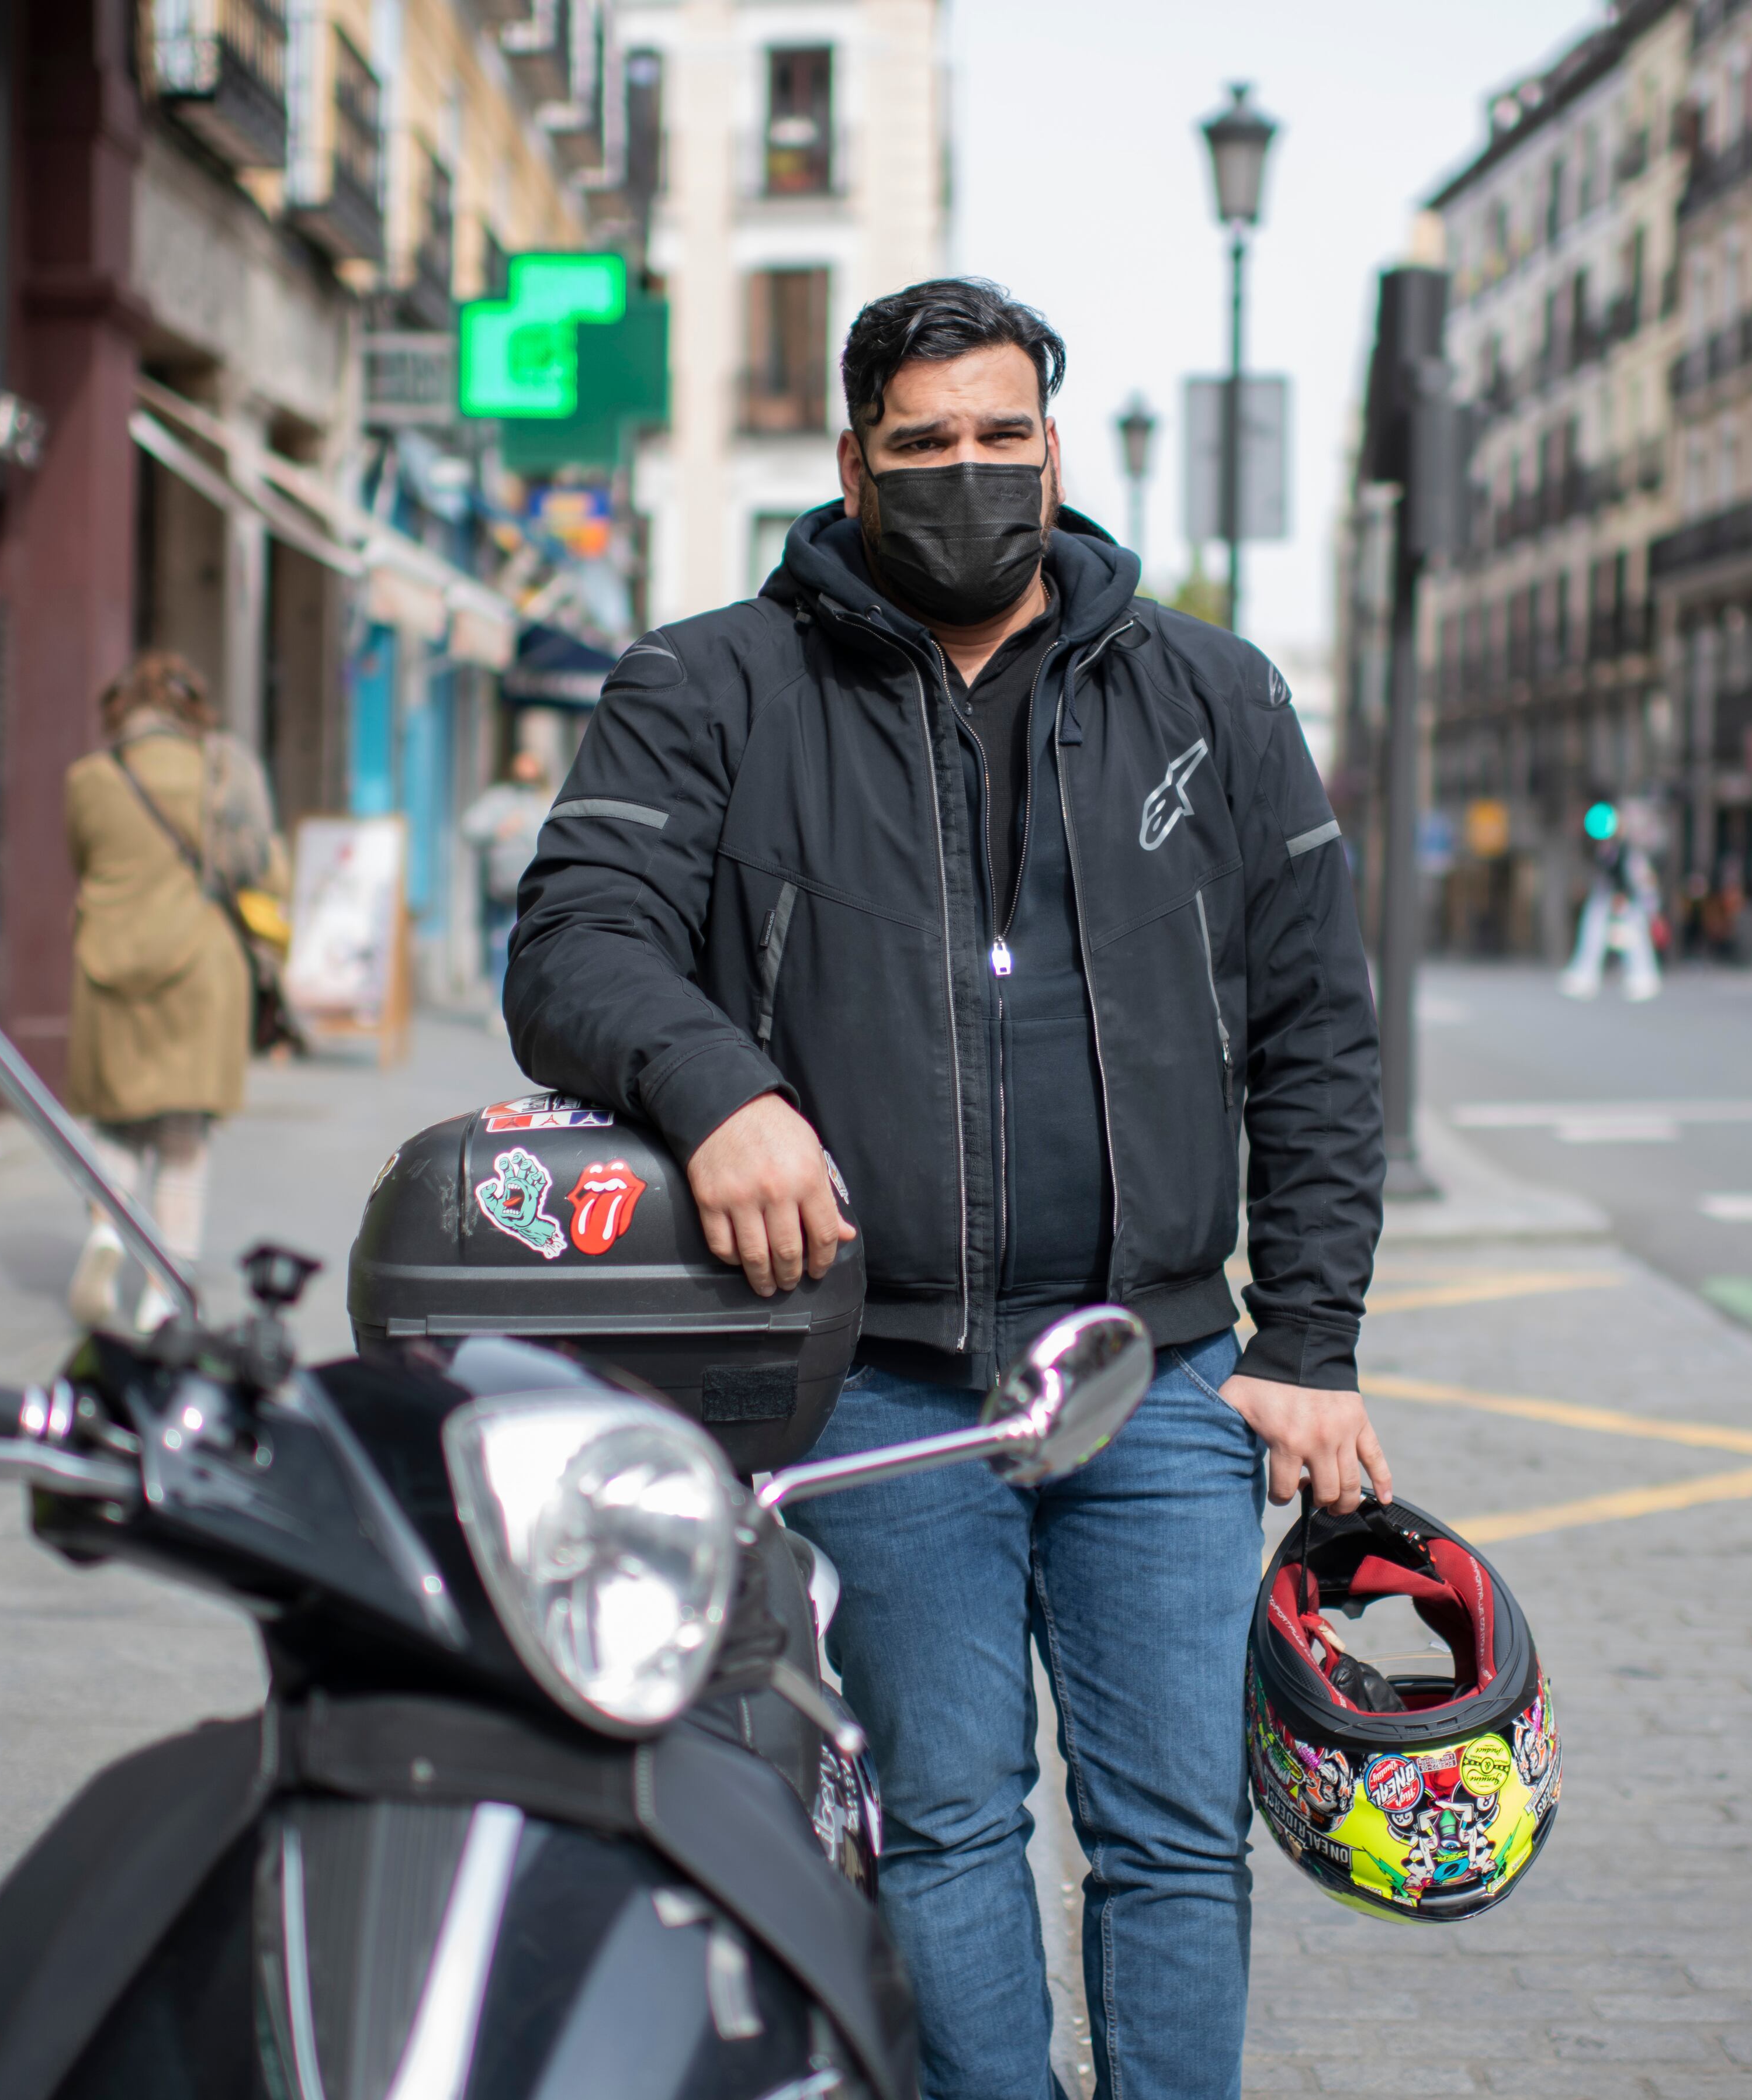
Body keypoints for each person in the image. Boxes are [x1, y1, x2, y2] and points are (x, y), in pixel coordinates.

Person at [504, 278, 1387, 2100]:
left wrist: (1308, 1339)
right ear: (851, 463)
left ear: (1053, 449)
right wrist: (719, 1086)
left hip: (1153, 1377)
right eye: (924, 448)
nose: (969, 475)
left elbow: (1314, 1032)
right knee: (946, 1821)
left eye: (1002, 439)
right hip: (880, 1379)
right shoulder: (709, 683)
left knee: (1171, 1837)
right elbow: (575, 948)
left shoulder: (1212, 695)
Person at [61, 652, 288, 1330]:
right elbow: (265, 870)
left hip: (109, 961)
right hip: (201, 966)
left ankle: (107, 1227)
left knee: (117, 1120)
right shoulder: (217, 772)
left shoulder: (89, 778)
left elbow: (82, 860)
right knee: (182, 1135)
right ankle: (167, 1284)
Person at [459, 746, 556, 997]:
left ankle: (528, 998)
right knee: (501, 944)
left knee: (533, 946)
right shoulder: (498, 799)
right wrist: (497, 830)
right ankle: (500, 1001)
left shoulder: (548, 799)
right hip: (502, 887)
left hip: (539, 888)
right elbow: (471, 826)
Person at [1559, 809, 1661, 1001]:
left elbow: (1638, 879)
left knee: (1634, 940)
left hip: (1627, 901)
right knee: (1595, 934)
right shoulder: (1608, 849)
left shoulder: (1627, 851)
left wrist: (1625, 898)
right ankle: (1586, 975)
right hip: (1611, 899)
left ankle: (1643, 978)